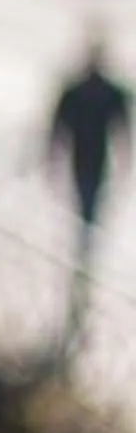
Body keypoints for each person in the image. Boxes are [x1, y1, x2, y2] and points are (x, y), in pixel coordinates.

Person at [48, 30, 133, 354]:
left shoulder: (109, 92)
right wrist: (52, 158)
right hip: (83, 165)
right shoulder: (77, 91)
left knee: (88, 221)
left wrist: (125, 163)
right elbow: (57, 128)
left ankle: (83, 265)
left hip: (95, 165)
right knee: (85, 220)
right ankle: (82, 265)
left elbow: (123, 130)